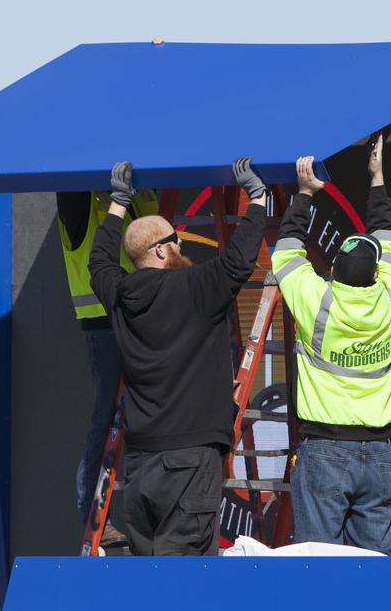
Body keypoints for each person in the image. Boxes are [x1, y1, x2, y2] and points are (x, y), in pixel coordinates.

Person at [88, 158, 268, 555]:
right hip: (190, 459)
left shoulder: (119, 296)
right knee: (186, 579)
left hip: (141, 464)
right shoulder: (196, 286)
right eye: (176, 239)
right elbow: (239, 261)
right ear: (161, 249)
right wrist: (257, 199)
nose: (182, 244)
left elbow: (99, 262)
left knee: (151, 571)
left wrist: (118, 204)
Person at [271, 136, 391, 554]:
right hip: (379, 455)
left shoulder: (316, 300)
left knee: (318, 569)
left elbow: (288, 249)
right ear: (377, 273)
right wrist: (377, 176)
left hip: (326, 452)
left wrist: (305, 193)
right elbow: (387, 234)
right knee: (377, 573)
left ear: (331, 270)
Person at [57, 188, 159, 529]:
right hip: (104, 322)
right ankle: (91, 512)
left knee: (149, 417)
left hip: (145, 318)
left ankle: (146, 513)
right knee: (107, 417)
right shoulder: (83, 199)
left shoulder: (143, 193)